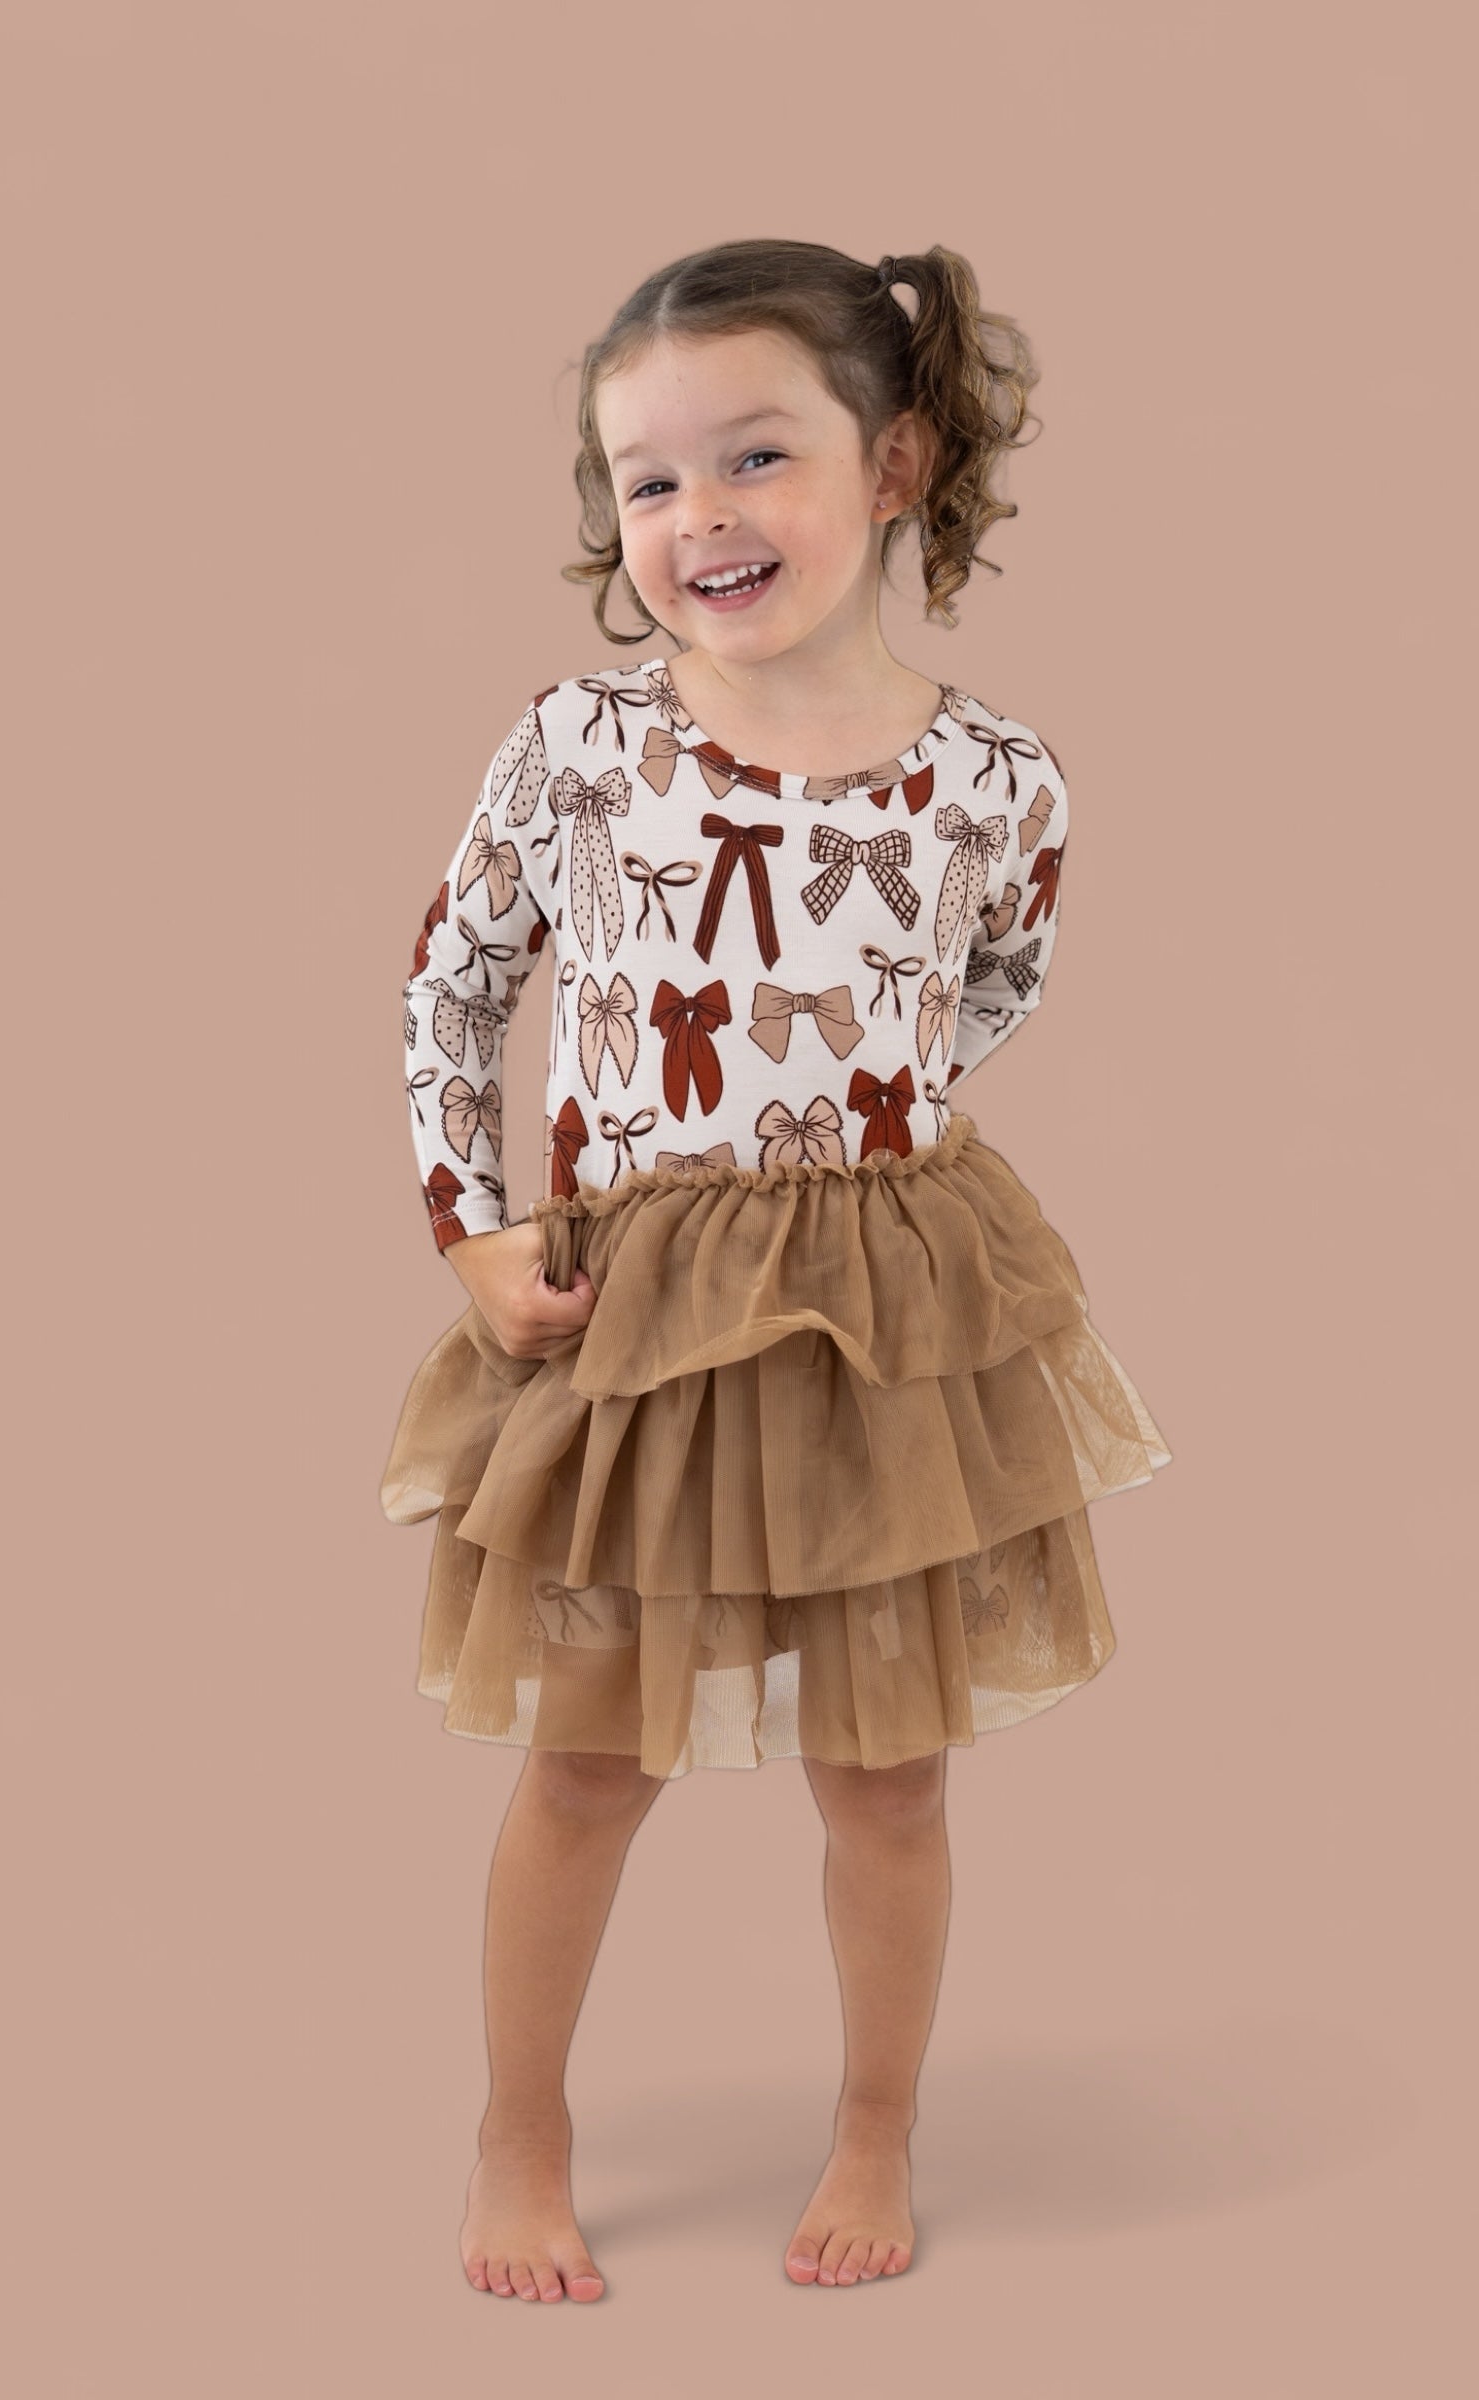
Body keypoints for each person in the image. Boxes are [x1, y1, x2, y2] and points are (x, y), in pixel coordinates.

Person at [379, 238, 1173, 2303]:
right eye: (647, 478)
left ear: (893, 463)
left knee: (886, 1776)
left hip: (876, 1325)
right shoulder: (580, 745)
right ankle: (519, 2130)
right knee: (586, 1759)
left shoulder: (996, 781)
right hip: (631, 1322)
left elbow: (987, 987)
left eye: (755, 456)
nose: (699, 515)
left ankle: (875, 2124)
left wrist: (840, 1162)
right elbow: (454, 986)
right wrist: (470, 1220)